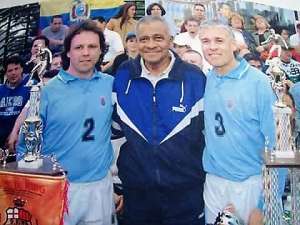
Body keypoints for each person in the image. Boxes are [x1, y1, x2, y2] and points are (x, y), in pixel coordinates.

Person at [17, 20, 114, 225]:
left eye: (92, 46)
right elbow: (26, 146)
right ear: (68, 52)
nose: (86, 52)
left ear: (100, 51)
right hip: (57, 188)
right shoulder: (48, 91)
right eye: (79, 47)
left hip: (99, 186)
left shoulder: (110, 85)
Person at [113, 16, 206, 225]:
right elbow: (116, 133)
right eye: (144, 39)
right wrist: (117, 185)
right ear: (136, 42)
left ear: (170, 40)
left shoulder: (194, 77)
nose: (151, 45)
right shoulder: (123, 75)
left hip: (186, 195)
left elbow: (207, 135)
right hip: (137, 196)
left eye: (158, 38)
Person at [199, 20, 275, 225]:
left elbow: (276, 146)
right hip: (214, 182)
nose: (212, 46)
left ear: (234, 45)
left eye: (219, 40)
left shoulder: (258, 82)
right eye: (205, 41)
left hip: (249, 184)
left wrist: (265, 203)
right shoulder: (206, 79)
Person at [0, 55, 30, 150]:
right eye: (10, 70)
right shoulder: (1, 90)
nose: (13, 73)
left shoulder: (29, 88)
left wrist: (15, 133)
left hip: (21, 137)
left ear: (22, 69)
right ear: (5, 74)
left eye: (16, 69)